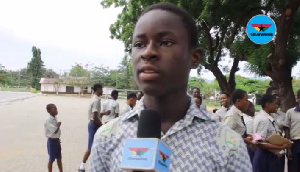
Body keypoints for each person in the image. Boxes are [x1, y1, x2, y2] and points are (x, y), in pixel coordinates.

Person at [90, 2, 252, 171]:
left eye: (166, 42)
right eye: (139, 44)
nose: (148, 52)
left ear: (194, 57)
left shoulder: (229, 144)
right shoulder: (106, 137)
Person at [253, 94, 292, 172]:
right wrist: (281, 147)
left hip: (270, 155)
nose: (277, 106)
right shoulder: (263, 119)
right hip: (265, 157)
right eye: (275, 104)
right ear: (267, 104)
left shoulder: (268, 117)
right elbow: (259, 142)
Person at [78, 84, 110, 172]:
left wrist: (103, 113)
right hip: (94, 125)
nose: (102, 91)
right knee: (90, 146)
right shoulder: (96, 101)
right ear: (97, 89)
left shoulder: (95, 99)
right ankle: (82, 166)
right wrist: (103, 126)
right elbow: (95, 117)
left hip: (94, 123)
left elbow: (96, 115)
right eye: (101, 89)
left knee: (96, 145)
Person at [266, 86, 286, 171]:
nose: (277, 98)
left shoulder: (283, 115)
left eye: (278, 95)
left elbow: (285, 133)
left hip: (281, 150)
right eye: (274, 95)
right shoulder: (262, 116)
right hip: (268, 151)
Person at [284, 89, 300, 172]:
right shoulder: (290, 112)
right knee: (293, 168)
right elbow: (287, 129)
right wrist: (288, 148)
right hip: (295, 144)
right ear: (298, 98)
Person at [44, 104, 63, 172]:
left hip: (57, 141)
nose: (56, 110)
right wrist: (58, 125)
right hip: (52, 142)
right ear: (49, 111)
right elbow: (54, 131)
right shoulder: (48, 120)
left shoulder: (54, 117)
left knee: (59, 158)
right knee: (51, 159)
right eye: (54, 109)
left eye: (56, 108)